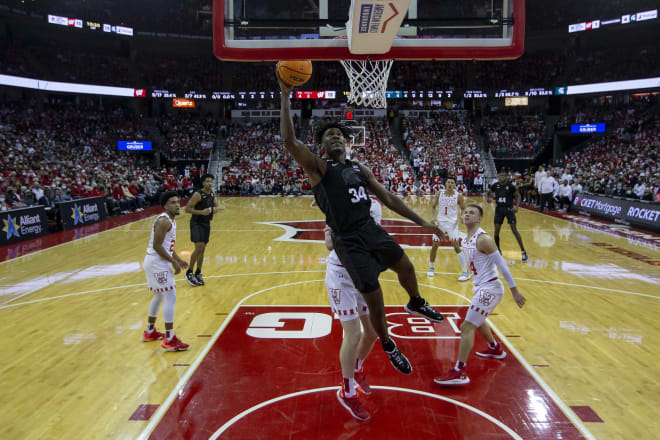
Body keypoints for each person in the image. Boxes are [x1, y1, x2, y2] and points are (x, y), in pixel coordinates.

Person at [279, 75, 445, 376]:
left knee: (406, 266)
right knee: (375, 295)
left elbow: (390, 198)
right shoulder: (319, 168)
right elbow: (290, 142)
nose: (335, 137)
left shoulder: (359, 168)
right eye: (328, 135)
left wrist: (423, 222)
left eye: (339, 135)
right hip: (347, 240)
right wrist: (286, 96)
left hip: (370, 229)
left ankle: (416, 301)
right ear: (321, 146)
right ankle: (388, 344)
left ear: (347, 141)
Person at [433, 204, 526, 385]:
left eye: (472, 213)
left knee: (467, 326)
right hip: (480, 286)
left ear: (479, 219)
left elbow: (502, 266)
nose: (467, 214)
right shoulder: (465, 239)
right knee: (479, 320)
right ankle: (495, 348)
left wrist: (515, 290)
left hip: (491, 288)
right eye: (465, 212)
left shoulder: (483, 239)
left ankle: (460, 371)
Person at [326, 197, 380, 422]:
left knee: (373, 331)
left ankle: (357, 370)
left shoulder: (376, 205)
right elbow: (329, 243)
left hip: (363, 273)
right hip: (340, 275)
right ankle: (347, 392)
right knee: (353, 333)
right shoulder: (336, 205)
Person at [142, 190, 190, 351]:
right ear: (165, 206)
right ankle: (169, 339)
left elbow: (166, 246)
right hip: (157, 263)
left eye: (178, 201)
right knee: (171, 297)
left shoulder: (170, 220)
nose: (177, 205)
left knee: (159, 295)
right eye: (173, 202)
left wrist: (177, 259)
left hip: (156, 261)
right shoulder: (164, 221)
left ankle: (150, 331)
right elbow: (157, 246)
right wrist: (173, 262)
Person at [427, 177, 470, 281]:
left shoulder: (458, 196)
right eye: (448, 182)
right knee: (434, 245)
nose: (450, 184)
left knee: (456, 245)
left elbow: (463, 207)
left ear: (455, 185)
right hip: (440, 222)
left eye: (452, 182)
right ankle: (431, 268)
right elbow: (433, 207)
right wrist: (432, 218)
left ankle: (465, 272)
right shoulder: (439, 193)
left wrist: (462, 216)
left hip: (452, 223)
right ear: (445, 183)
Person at [185, 174, 221, 286]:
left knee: (203, 249)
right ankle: (189, 272)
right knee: (199, 246)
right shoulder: (198, 194)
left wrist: (216, 206)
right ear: (203, 183)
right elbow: (187, 209)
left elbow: (214, 205)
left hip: (206, 223)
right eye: (207, 181)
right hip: (196, 223)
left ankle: (198, 272)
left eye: (211, 181)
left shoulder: (211, 193)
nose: (210, 183)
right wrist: (201, 212)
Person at [488, 173, 528, 262]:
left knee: (514, 230)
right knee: (496, 231)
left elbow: (518, 196)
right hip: (499, 209)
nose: (501, 177)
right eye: (500, 176)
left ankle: (523, 251)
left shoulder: (510, 186)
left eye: (503, 176)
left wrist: (517, 207)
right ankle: (498, 250)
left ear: (506, 177)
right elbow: (489, 192)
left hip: (509, 209)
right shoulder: (495, 185)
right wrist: (488, 198)